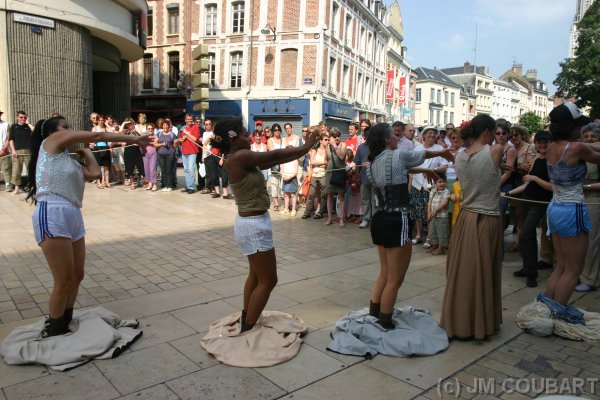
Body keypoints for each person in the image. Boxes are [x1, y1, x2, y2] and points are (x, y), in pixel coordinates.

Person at [26, 116, 151, 336]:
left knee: (77, 275)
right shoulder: (51, 144)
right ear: (51, 133)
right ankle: (55, 329)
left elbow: (93, 174)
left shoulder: (68, 160)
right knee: (63, 279)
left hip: (73, 214)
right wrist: (133, 138)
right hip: (52, 211)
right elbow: (98, 135)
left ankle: (66, 320)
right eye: (65, 127)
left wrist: (88, 154)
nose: (70, 130)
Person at [215, 117, 318, 332]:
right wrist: (306, 146)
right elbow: (276, 154)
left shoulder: (237, 157)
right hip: (253, 226)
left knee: (255, 275)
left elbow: (269, 161)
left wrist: (298, 150)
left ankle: (247, 318)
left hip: (252, 223)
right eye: (245, 134)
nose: (250, 137)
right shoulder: (240, 156)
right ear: (233, 140)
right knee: (269, 280)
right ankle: (249, 329)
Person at [366, 123, 451, 329]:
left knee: (385, 273)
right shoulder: (400, 155)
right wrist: (445, 153)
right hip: (398, 219)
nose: (399, 137)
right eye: (395, 136)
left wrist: (423, 169)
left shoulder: (372, 162)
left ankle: (374, 312)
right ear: (387, 139)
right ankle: (385, 321)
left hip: (380, 218)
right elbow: (424, 153)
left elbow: (404, 167)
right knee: (396, 278)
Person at [441, 114, 504, 340]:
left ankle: (460, 321)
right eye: (494, 132)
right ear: (487, 132)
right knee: (484, 271)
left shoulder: (459, 157)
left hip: (465, 218)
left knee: (463, 272)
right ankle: (479, 323)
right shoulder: (494, 151)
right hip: (486, 217)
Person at [545, 102, 600, 305]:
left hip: (555, 208)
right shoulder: (577, 147)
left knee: (560, 266)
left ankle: (548, 309)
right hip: (572, 209)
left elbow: (589, 147)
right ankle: (558, 313)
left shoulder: (552, 147)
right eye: (578, 126)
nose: (581, 129)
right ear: (570, 127)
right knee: (573, 270)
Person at [505, 131, 553, 287]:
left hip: (541, 202)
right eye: (539, 142)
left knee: (526, 235)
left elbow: (552, 187)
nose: (542, 145)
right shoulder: (536, 160)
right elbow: (527, 184)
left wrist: (534, 178)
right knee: (528, 236)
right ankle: (528, 268)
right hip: (528, 199)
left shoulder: (553, 161)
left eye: (545, 142)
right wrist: (507, 193)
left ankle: (532, 273)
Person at [409, 126, 448, 246]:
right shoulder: (417, 149)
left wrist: (433, 170)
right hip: (417, 184)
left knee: (430, 211)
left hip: (431, 186)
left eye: (434, 134)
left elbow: (445, 166)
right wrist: (410, 185)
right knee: (417, 211)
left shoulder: (439, 149)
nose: (432, 135)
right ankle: (419, 235)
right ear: (424, 136)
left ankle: (430, 238)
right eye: (429, 133)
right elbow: (411, 167)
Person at [576, 123, 600, 292]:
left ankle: (590, 278)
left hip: (594, 197)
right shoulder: (580, 154)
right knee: (580, 239)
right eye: (586, 137)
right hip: (578, 197)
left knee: (593, 240)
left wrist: (588, 188)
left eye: (593, 136)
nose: (589, 139)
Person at [301, 129, 328, 219]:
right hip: (314, 174)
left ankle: (320, 212)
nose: (327, 141)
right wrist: (323, 163)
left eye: (328, 140)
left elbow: (327, 163)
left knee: (323, 194)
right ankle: (307, 212)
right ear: (320, 141)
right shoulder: (314, 150)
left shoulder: (327, 151)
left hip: (323, 174)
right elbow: (312, 162)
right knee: (311, 194)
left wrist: (320, 163)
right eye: (325, 140)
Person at [8, 111, 34, 195]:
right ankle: (16, 188)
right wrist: (13, 150)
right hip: (17, 151)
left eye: (25, 117)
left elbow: (34, 131)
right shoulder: (13, 126)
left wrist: (28, 123)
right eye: (21, 117)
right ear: (17, 118)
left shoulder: (28, 126)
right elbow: (11, 139)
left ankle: (32, 187)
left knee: (31, 169)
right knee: (16, 170)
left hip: (28, 151)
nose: (23, 119)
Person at [325, 128, 347, 227]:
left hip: (339, 174)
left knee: (341, 197)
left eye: (338, 136)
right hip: (330, 174)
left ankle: (341, 219)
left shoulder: (343, 145)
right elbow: (326, 160)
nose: (336, 138)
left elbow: (342, 157)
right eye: (334, 136)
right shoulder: (327, 147)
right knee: (329, 196)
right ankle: (329, 218)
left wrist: (334, 146)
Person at [176, 113, 200, 194]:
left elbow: (195, 139)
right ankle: (188, 185)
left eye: (191, 119)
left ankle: (192, 187)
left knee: (191, 169)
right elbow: (181, 139)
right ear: (185, 120)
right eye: (188, 119)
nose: (189, 121)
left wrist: (187, 134)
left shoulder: (195, 127)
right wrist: (181, 139)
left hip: (192, 151)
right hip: (184, 151)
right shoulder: (183, 128)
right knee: (186, 169)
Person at [427, 173, 450, 255]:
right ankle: (434, 246)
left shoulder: (446, 191)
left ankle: (441, 248)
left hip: (442, 217)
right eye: (440, 182)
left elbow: (445, 202)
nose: (442, 183)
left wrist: (435, 210)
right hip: (433, 216)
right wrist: (429, 212)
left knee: (442, 233)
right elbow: (429, 202)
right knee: (433, 232)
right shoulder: (433, 191)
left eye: (444, 182)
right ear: (435, 183)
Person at [122, 118, 146, 189]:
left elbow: (141, 135)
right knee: (129, 166)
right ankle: (132, 182)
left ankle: (145, 181)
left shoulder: (136, 130)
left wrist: (135, 127)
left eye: (131, 124)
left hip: (136, 149)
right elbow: (120, 132)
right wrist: (124, 123)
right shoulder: (126, 131)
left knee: (140, 165)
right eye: (128, 125)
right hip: (128, 150)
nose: (130, 126)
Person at [155, 119, 177, 192]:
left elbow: (175, 146)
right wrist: (162, 144)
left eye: (166, 125)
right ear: (162, 126)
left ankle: (169, 185)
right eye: (164, 125)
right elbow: (155, 144)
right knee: (163, 170)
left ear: (169, 126)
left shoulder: (172, 134)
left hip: (170, 154)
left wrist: (177, 142)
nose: (165, 126)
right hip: (161, 155)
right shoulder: (159, 134)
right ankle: (164, 185)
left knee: (169, 170)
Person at [91, 115, 112, 189]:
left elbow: (112, 132)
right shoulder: (94, 128)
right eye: (99, 120)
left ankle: (107, 182)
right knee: (98, 166)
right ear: (97, 121)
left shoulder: (106, 128)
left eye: (102, 120)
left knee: (106, 166)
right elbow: (92, 138)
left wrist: (106, 124)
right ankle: (98, 182)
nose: (101, 121)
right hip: (97, 147)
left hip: (105, 148)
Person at [267, 124, 284, 210]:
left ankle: (284, 201)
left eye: (278, 130)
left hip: (284, 164)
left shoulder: (283, 140)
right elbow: (272, 152)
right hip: (274, 164)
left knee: (282, 185)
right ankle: (276, 203)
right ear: (273, 132)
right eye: (275, 130)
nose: (277, 131)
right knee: (274, 184)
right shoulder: (270, 140)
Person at [143, 123, 159, 191]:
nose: (150, 130)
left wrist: (147, 142)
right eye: (149, 129)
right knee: (146, 169)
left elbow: (155, 144)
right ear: (146, 129)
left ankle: (154, 184)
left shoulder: (156, 136)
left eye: (152, 128)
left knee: (152, 169)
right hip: (145, 154)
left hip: (153, 154)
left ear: (154, 129)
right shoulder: (144, 136)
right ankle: (149, 183)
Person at [0, 110, 12, 192]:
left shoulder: (6, 124)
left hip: (4, 150)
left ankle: (8, 184)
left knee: (6, 168)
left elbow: (9, 138)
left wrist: (4, 148)